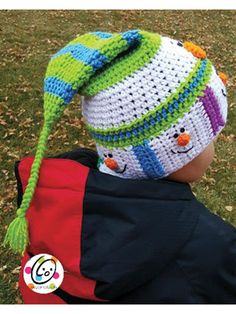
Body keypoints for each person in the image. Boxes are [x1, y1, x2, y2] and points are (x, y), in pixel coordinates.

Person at [4, 29, 236, 303]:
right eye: (209, 137)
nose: (214, 146)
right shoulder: (213, 247)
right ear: (176, 150)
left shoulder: (54, 201)